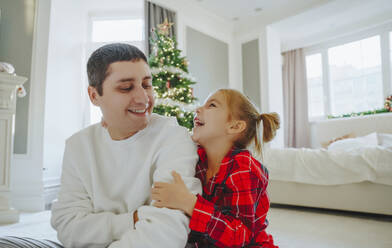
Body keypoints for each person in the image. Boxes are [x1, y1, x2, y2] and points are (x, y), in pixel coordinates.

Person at [50, 43, 202, 248]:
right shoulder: (78, 146)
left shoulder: (173, 137)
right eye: (126, 87)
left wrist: (98, 227)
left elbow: (167, 231)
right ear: (94, 95)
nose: (143, 98)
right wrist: (134, 219)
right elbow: (68, 227)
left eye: (147, 85)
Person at [151, 89, 280, 248]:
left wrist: (190, 203)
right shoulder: (196, 159)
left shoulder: (244, 169)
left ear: (234, 126)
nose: (198, 109)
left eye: (211, 105)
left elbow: (240, 237)